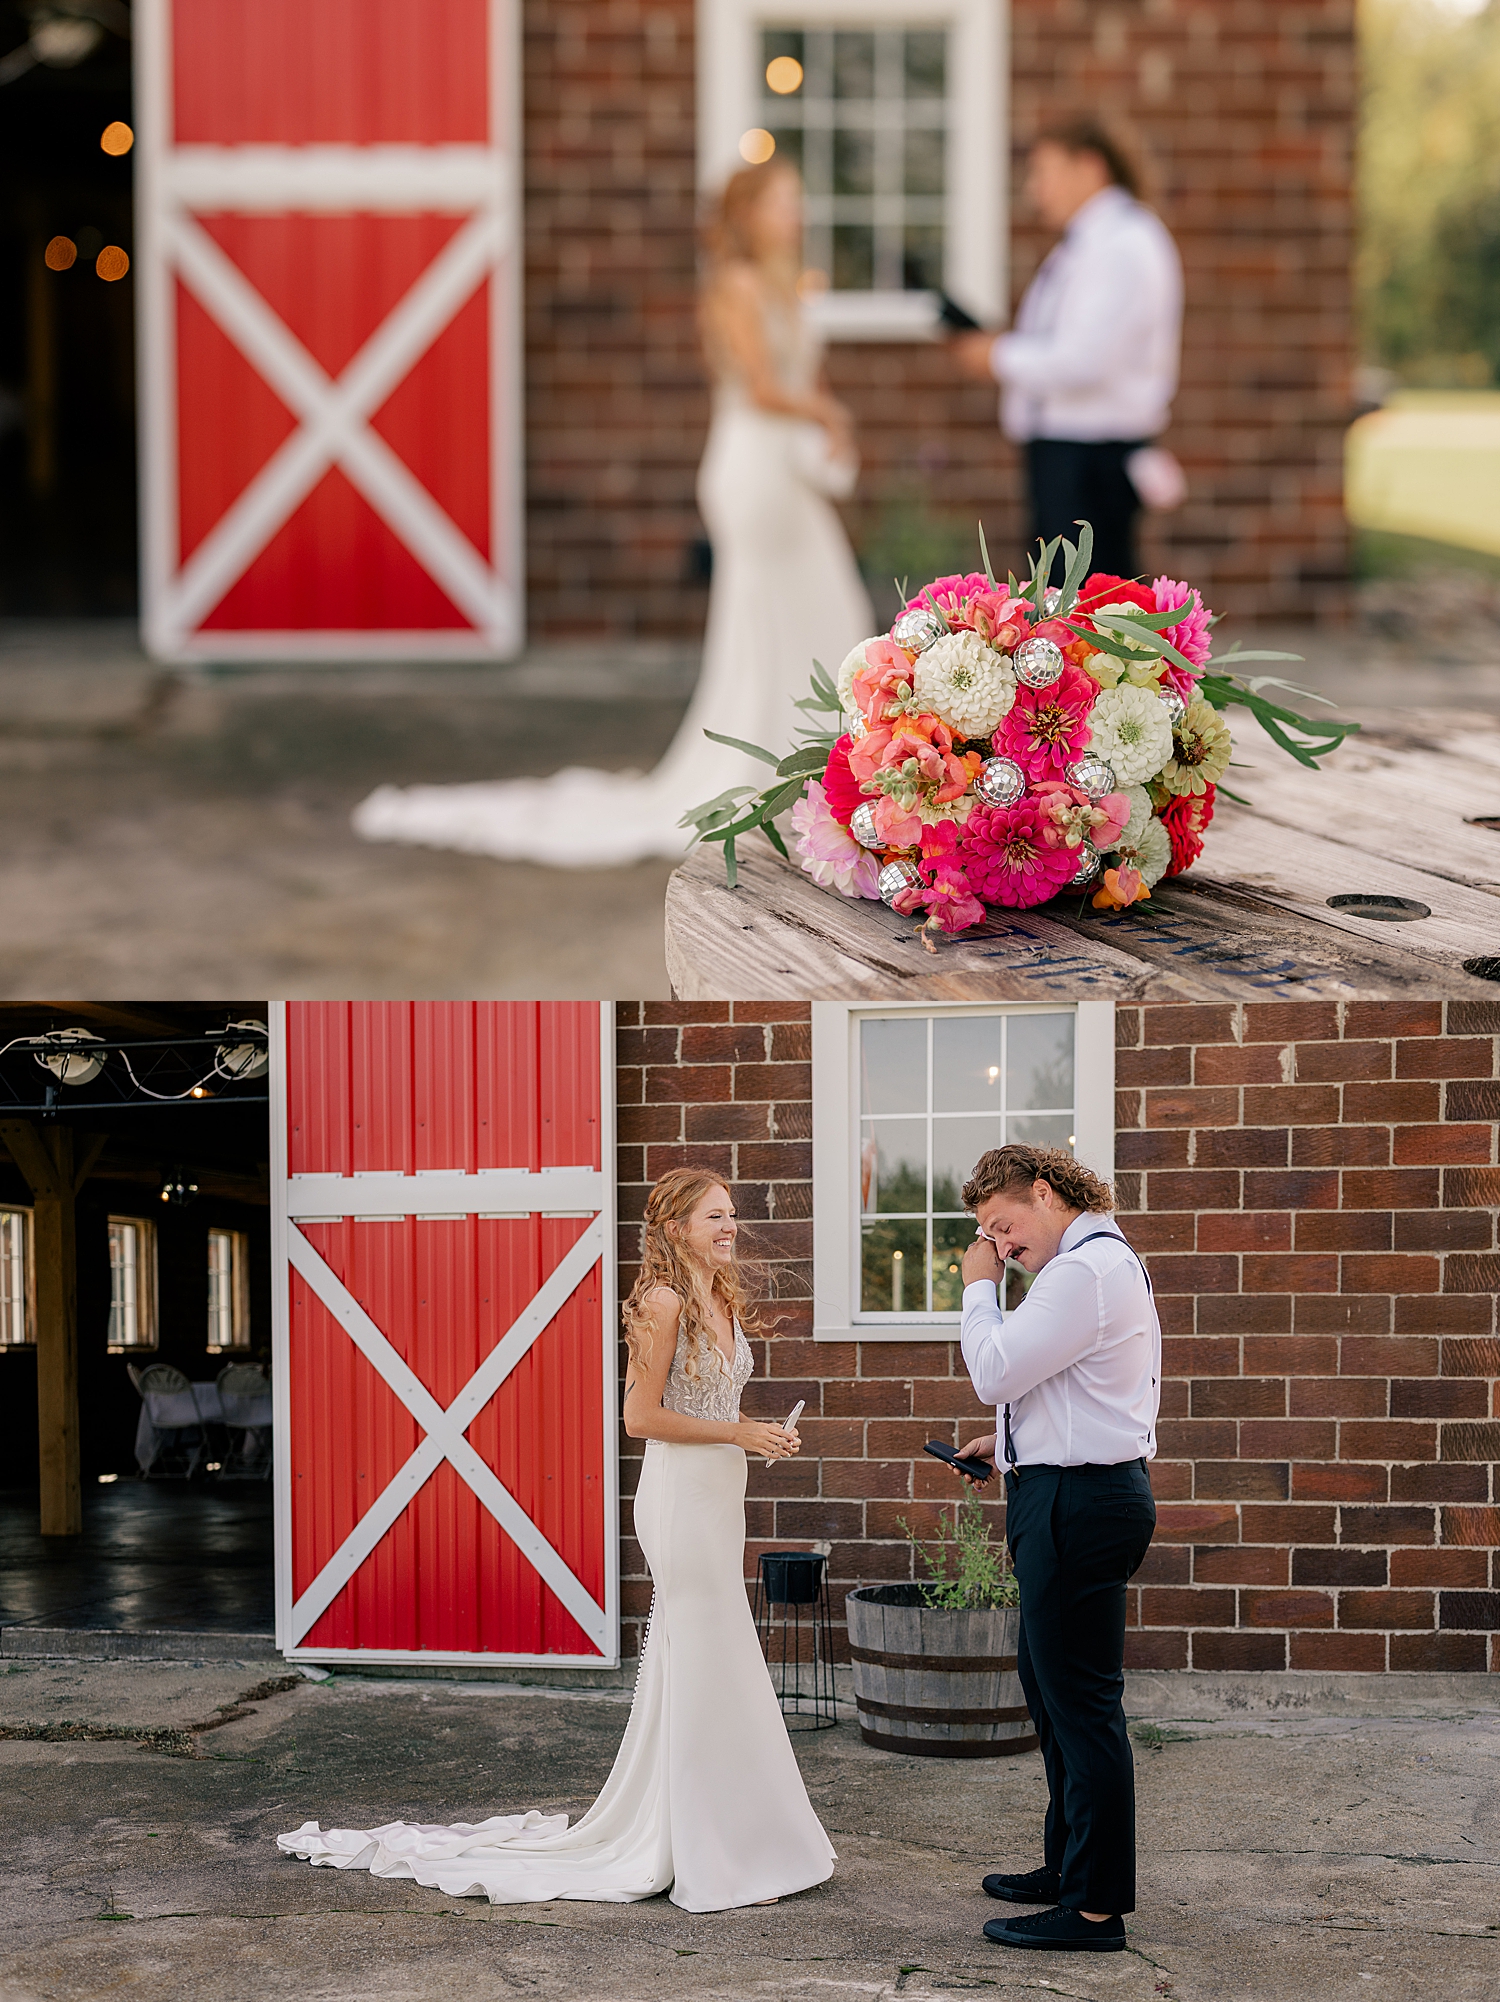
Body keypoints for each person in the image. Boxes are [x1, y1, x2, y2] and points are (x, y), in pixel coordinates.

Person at [276, 1168, 836, 1912]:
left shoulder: (720, 1296)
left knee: (717, 1657)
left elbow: (709, 1403)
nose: (730, 1226)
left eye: (731, 1213)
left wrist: (755, 1433)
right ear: (675, 1229)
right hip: (679, 1499)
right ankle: (713, 1853)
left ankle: (733, 1839)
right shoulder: (663, 1301)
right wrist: (737, 1433)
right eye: (714, 1216)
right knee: (709, 1655)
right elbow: (639, 1419)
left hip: (719, 1495)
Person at [350, 160, 874, 867]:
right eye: (783, 201)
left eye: (796, 201)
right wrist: (829, 415)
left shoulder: (787, 287)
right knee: (772, 614)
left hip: (790, 470)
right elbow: (759, 387)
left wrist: (824, 419)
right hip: (753, 468)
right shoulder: (736, 286)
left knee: (822, 605)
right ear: (748, 215)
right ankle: (770, 770)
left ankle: (817, 767)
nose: (796, 213)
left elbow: (801, 375)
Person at [948, 1143, 1161, 1955]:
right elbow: (1072, 1393)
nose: (1001, 1246)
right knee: (1052, 1692)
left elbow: (994, 1370)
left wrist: (978, 1285)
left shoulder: (1084, 1271)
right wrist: (1008, 1448)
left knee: (1082, 1707)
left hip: (1080, 1505)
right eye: (989, 1239)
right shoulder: (1091, 1263)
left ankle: (1095, 1910)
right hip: (1070, 1491)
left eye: (1003, 1226)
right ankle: (1071, 1865)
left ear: (1044, 1192)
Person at [952, 119, 1183, 581]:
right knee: (1070, 601)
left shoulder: (1120, 245)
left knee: (1089, 606)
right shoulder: (1093, 244)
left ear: (1089, 167)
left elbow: (1083, 360)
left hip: (1090, 459)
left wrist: (996, 356)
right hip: (1073, 453)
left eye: (1044, 172)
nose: (1034, 190)